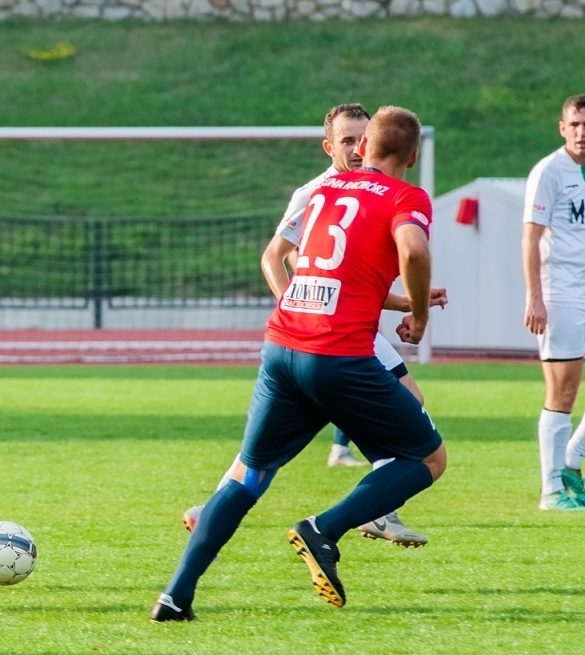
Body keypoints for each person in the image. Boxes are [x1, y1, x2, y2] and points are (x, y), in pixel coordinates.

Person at [153, 107, 447, 622]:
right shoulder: (407, 195)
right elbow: (414, 250)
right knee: (426, 458)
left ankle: (175, 597)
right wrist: (419, 315)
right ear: (413, 155)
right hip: (338, 356)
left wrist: (396, 302)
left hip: (283, 346)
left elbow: (326, 266)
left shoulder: (326, 191)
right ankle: (325, 528)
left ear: (364, 147)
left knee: (247, 475)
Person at [522, 93, 585, 510]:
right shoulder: (550, 171)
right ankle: (550, 491)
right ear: (562, 128)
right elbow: (530, 236)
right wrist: (535, 298)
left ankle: (571, 463)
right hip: (561, 293)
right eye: (575, 125)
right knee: (563, 392)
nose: (582, 133)